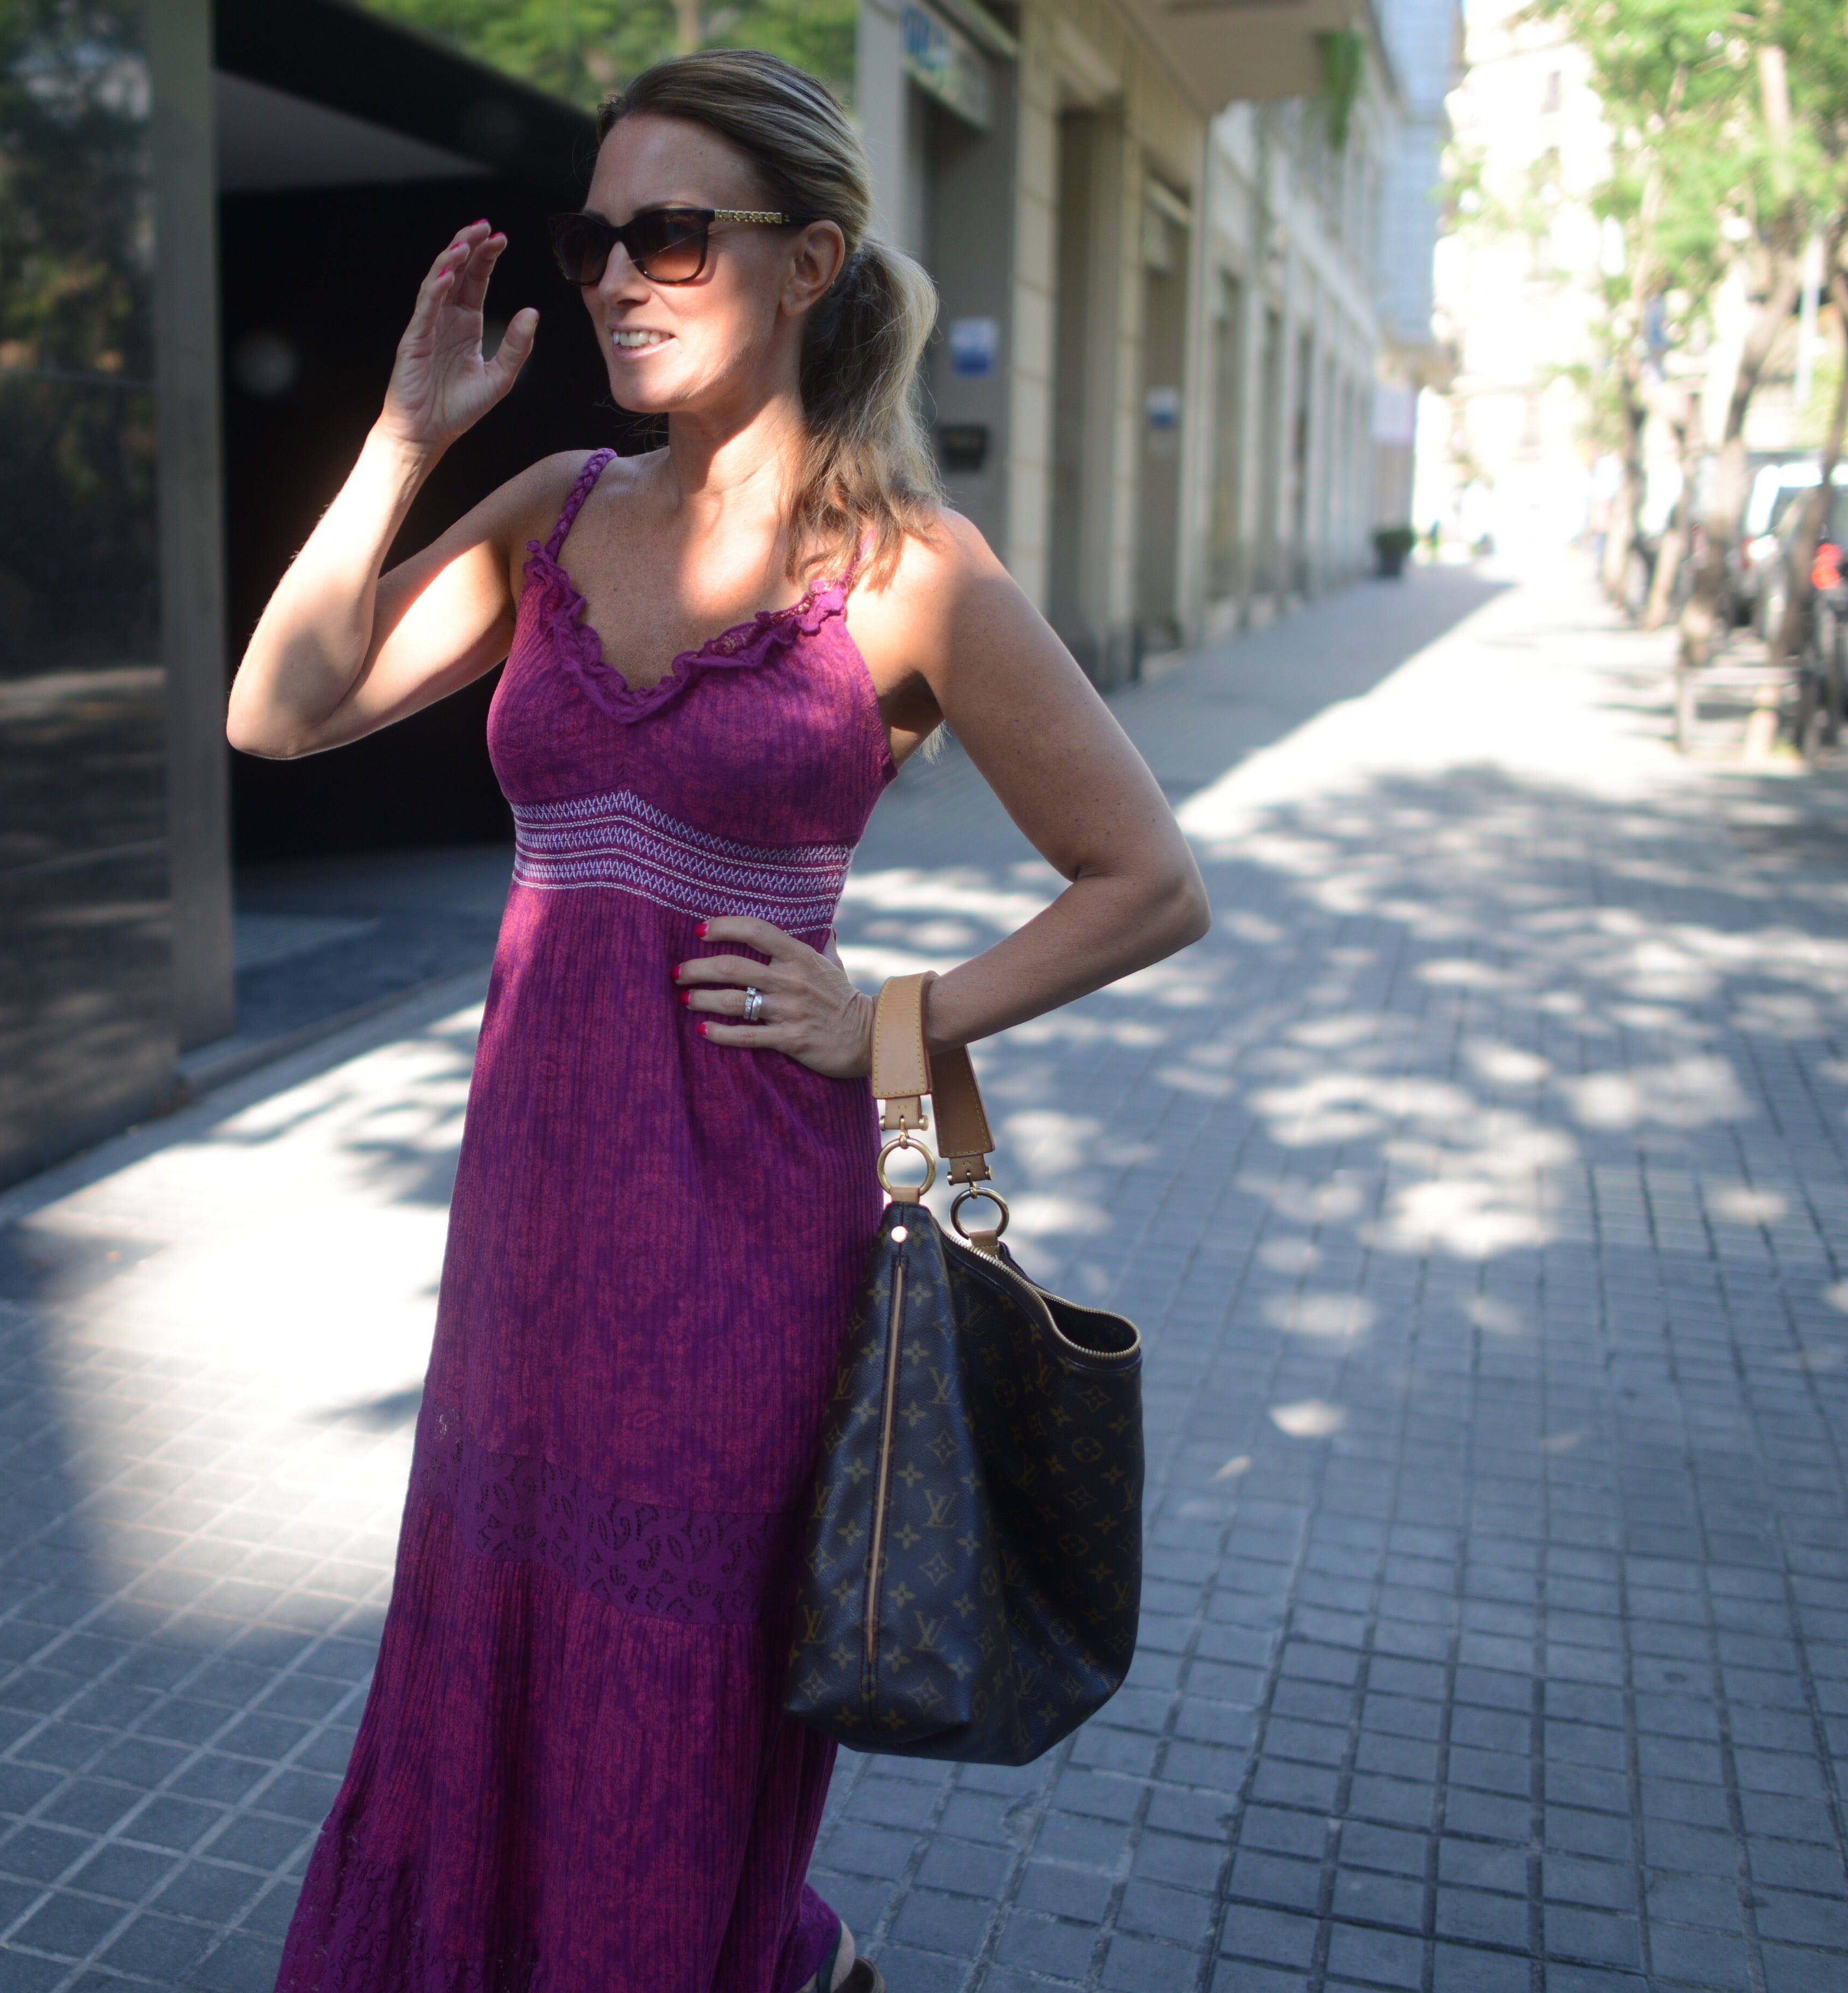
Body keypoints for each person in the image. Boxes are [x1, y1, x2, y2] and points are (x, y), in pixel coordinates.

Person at [227, 49, 1207, 1993]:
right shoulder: (558, 511)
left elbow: (1147, 881)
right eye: (598, 238)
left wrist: (898, 1020)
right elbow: (281, 709)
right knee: (494, 1627)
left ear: (807, 262)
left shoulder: (909, 574)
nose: (617, 277)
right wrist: (405, 436)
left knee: (672, 1682)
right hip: (529, 1218)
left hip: (741, 1235)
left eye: (672, 233)